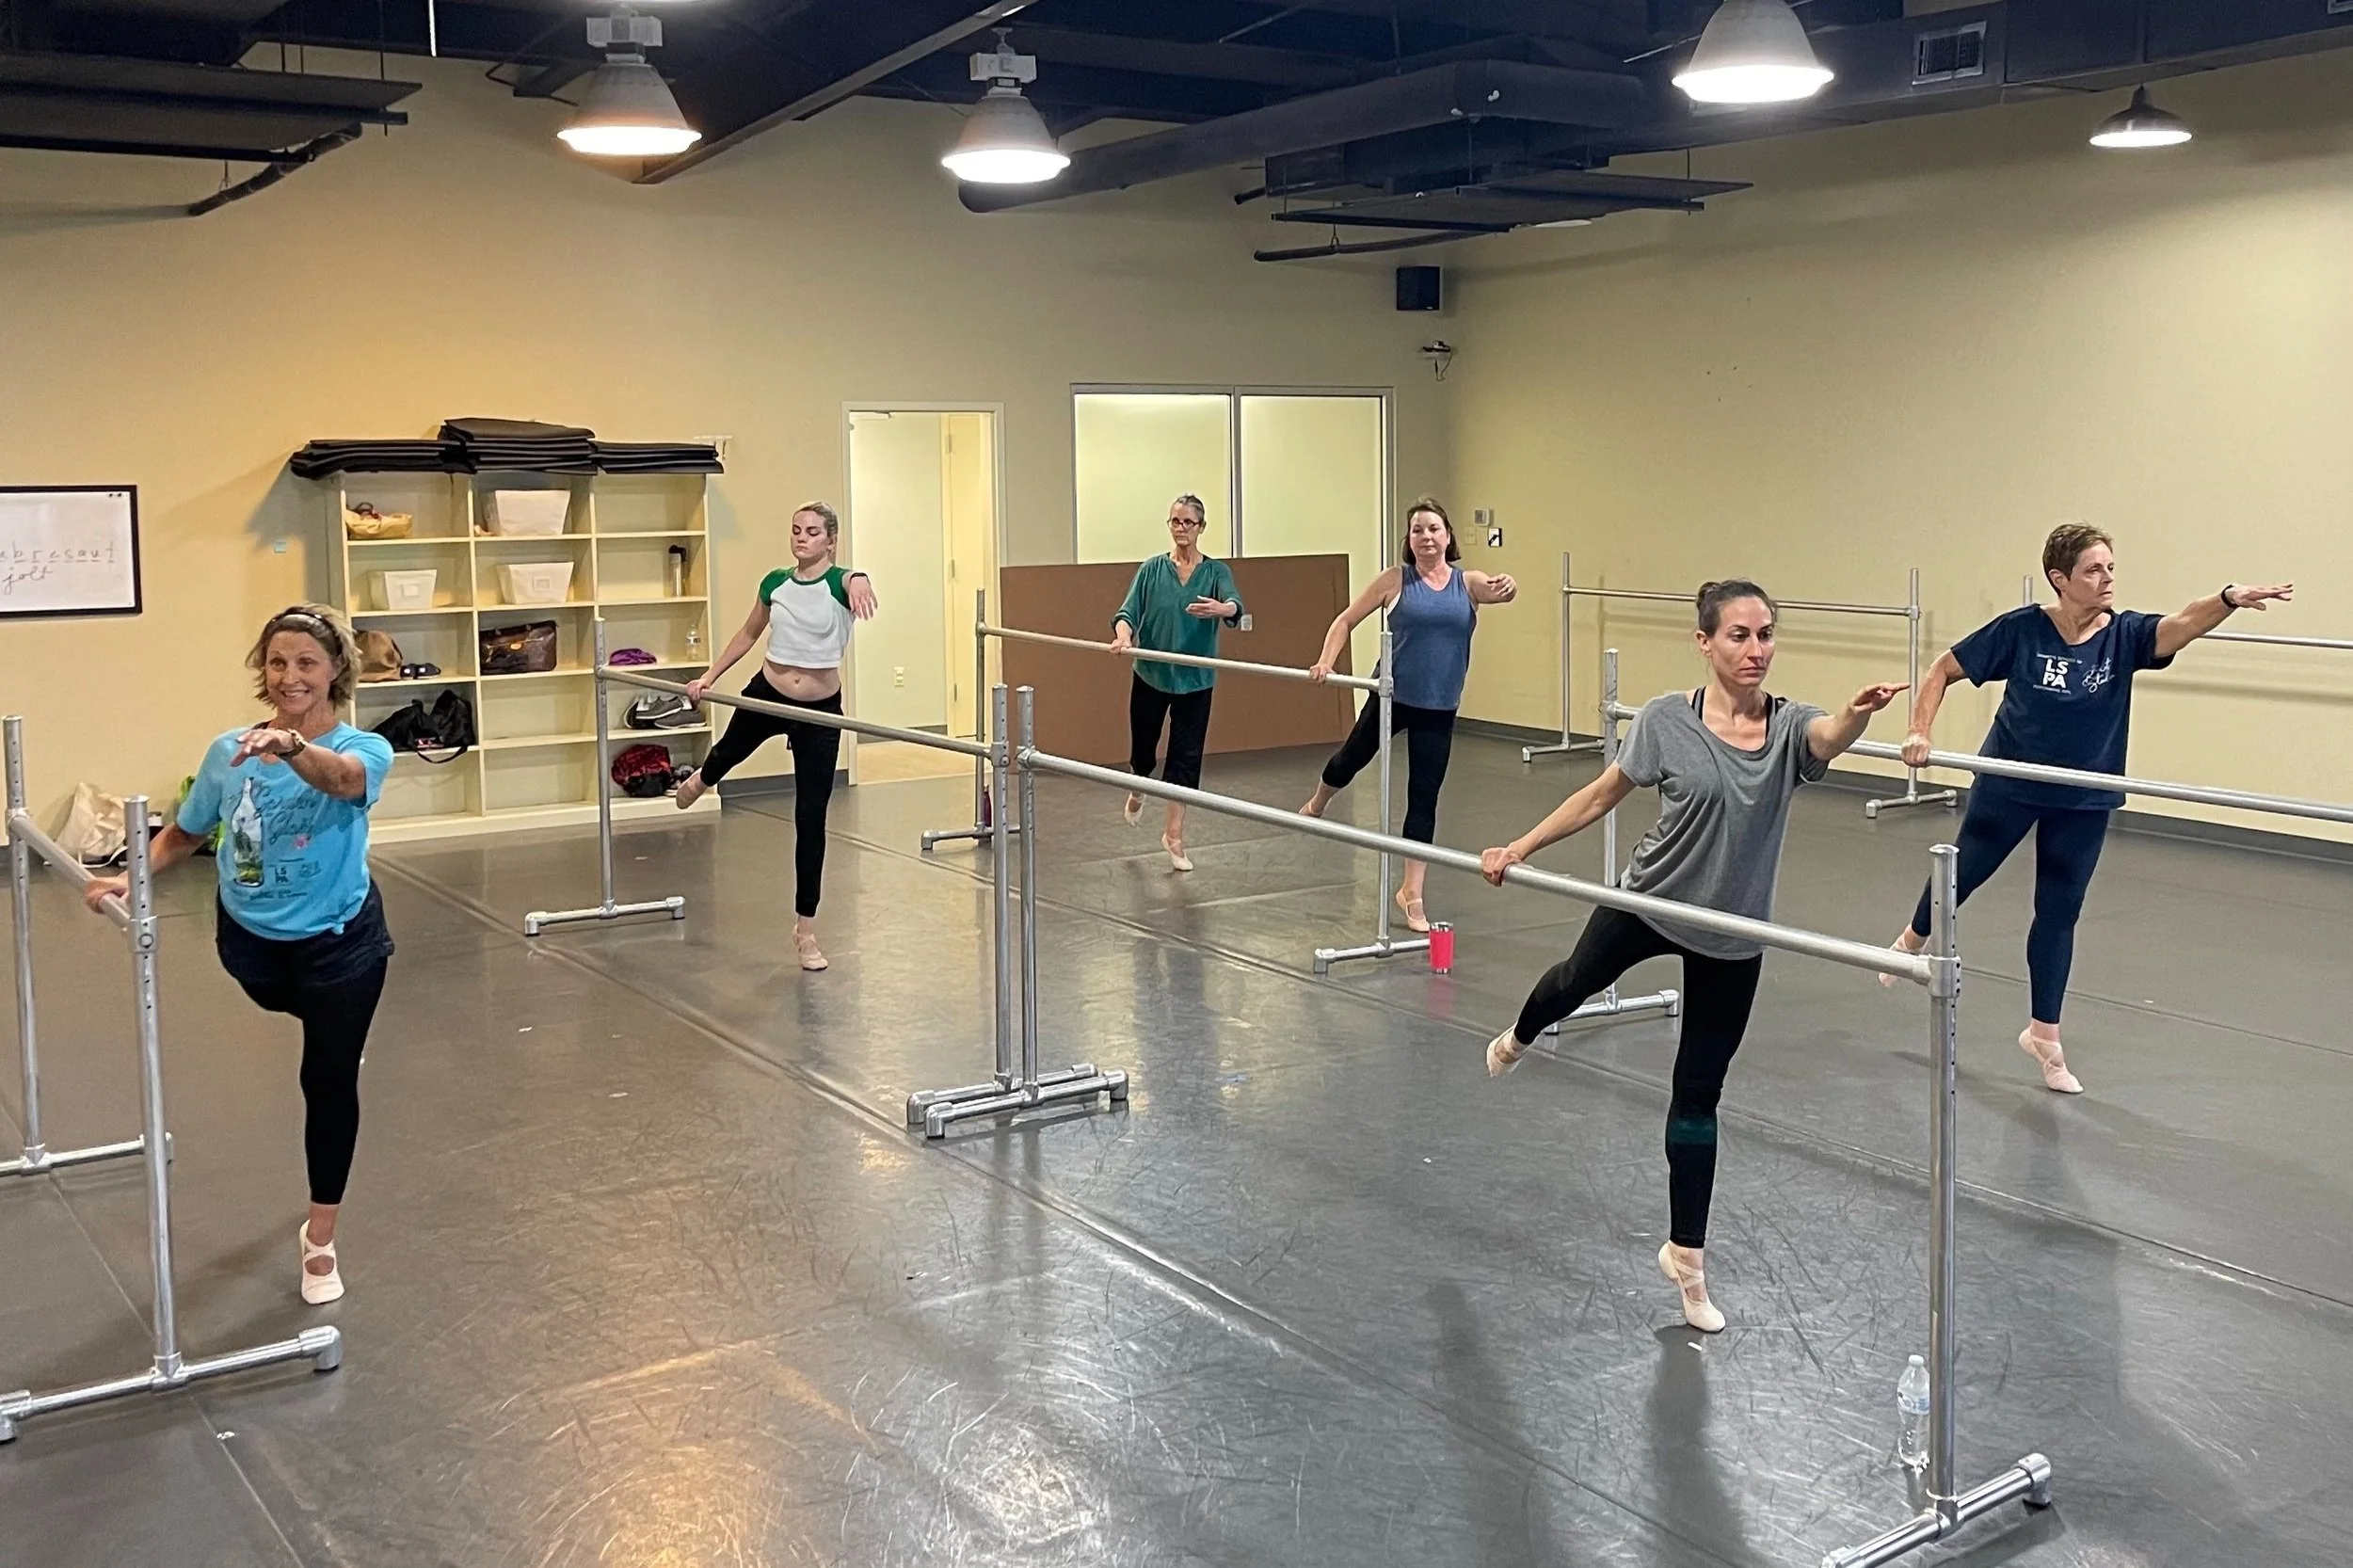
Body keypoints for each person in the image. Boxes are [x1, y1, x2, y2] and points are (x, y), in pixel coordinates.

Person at [1479, 581, 1906, 1334]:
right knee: (1574, 982)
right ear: (1704, 643)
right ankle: (1520, 1034)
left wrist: (1857, 714)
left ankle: (1687, 1257)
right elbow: (1601, 795)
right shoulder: (1665, 720)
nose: (1756, 649)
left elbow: (1827, 737)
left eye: (1765, 634)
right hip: (1652, 902)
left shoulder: (1788, 726)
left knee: (1699, 1093)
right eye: (1739, 635)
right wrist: (1519, 847)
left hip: (1732, 934)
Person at [1884, 523, 2293, 1094]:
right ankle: (1913, 937)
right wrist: (1918, 731)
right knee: (1964, 875)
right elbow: (1943, 669)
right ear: (2060, 579)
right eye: (2093, 570)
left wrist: (2227, 599)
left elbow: (2181, 625)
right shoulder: (2022, 629)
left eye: (2110, 569)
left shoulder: (2125, 635)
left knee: (2059, 911)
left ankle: (2044, 1036)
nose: (2106, 580)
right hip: (2012, 782)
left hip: (2083, 796)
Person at [86, 605, 395, 1306]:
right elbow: (186, 833)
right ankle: (332, 1031)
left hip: (342, 943)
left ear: (335, 671)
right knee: (277, 1000)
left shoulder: (365, 748)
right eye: (278, 662)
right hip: (251, 941)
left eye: (306, 663)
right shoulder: (229, 750)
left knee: (327, 1080)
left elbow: (341, 781)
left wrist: (289, 746)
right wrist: (131, 877)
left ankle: (320, 1238)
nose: (290, 676)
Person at [679, 502, 877, 971]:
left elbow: (851, 578)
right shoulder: (775, 583)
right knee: (728, 752)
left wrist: (861, 578)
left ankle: (805, 931)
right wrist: (708, 677)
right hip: (769, 693)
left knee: (810, 818)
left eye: (813, 532)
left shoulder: (840, 583)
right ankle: (703, 778)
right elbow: (748, 634)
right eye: (796, 530)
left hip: (819, 712)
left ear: (831, 540)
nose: (802, 538)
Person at [1302, 497, 1514, 931]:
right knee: (1349, 760)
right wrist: (1326, 661)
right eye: (1418, 530)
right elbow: (1345, 620)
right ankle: (1318, 801)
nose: (1426, 537)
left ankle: (1412, 892)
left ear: (1448, 536)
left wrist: (1508, 586)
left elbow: (1499, 590)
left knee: (1424, 797)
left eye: (1434, 529)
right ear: (1409, 539)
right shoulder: (1394, 580)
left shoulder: (1467, 583)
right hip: (1392, 697)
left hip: (1439, 706)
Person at [1110, 494, 1244, 872]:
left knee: (1185, 760)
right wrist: (1123, 637)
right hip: (1151, 675)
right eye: (1175, 521)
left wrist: (1223, 609)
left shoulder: (1215, 572)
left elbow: (1235, 604)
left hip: (1195, 680)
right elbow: (1127, 612)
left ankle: (1174, 835)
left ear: (1201, 527)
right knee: (1143, 753)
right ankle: (1139, 785)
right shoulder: (1152, 569)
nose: (1181, 528)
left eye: (1188, 522)